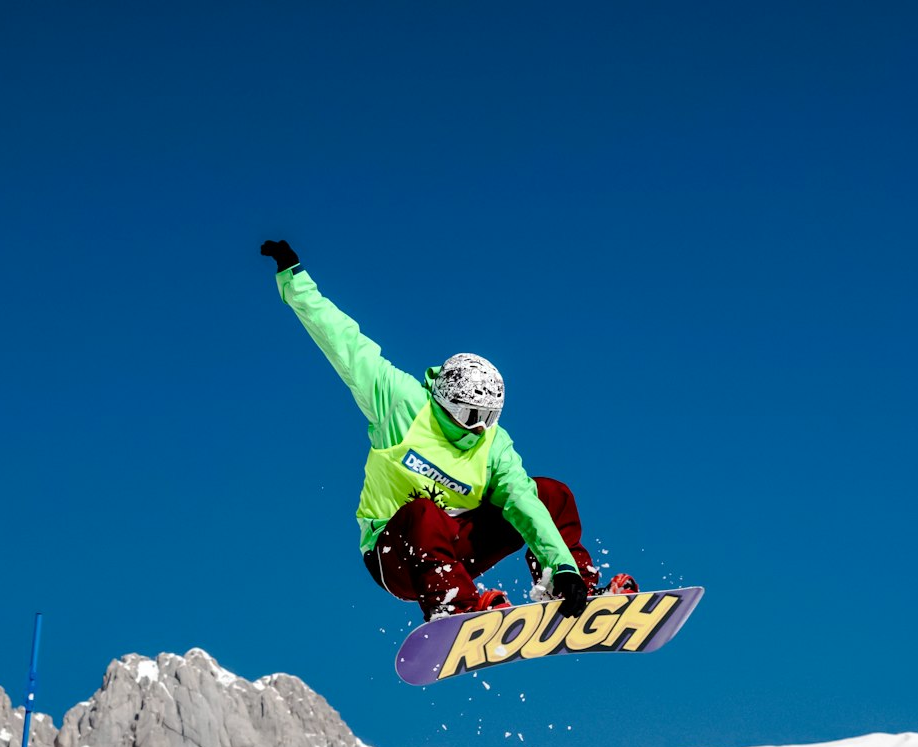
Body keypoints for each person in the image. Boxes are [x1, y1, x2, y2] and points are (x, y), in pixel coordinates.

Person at [260, 239, 637, 621]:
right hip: (396, 557)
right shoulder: (399, 403)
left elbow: (523, 503)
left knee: (549, 495)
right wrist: (294, 280)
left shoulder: (493, 445)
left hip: (458, 549)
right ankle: (453, 606)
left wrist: (564, 568)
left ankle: (573, 587)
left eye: (490, 417)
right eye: (473, 414)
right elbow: (344, 343)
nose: (480, 427)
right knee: (423, 513)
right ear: (449, 401)